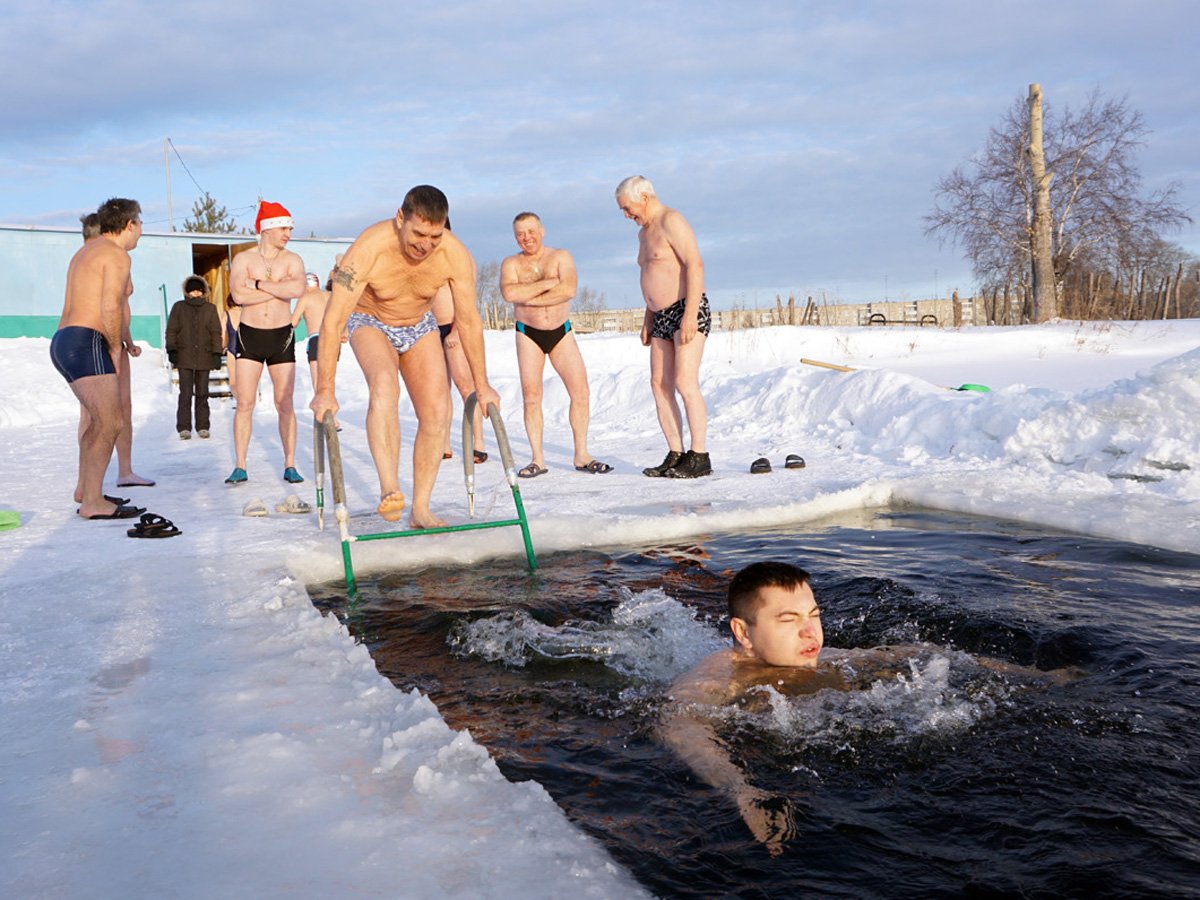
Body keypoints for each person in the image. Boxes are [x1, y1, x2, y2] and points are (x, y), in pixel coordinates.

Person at [661, 561, 1077, 855]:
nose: (811, 632)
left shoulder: (825, 656)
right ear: (743, 633)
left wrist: (1031, 676)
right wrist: (741, 789)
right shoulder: (719, 678)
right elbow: (679, 725)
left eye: (814, 614)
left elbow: (916, 651)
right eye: (788, 620)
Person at [310, 184, 500, 528]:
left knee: (438, 410)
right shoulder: (369, 248)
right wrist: (325, 388)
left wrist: (481, 384)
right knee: (384, 384)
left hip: (419, 324)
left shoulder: (455, 255)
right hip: (370, 320)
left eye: (434, 236)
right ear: (401, 218)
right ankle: (389, 489)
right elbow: (334, 318)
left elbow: (469, 320)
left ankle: (421, 509)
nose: (425, 244)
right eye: (419, 233)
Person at [51, 199, 147, 519]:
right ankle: (92, 502)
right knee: (112, 420)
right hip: (86, 340)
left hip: (64, 341)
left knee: (96, 421)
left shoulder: (85, 251)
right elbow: (109, 307)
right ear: (130, 224)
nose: (141, 233)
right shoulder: (116, 254)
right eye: (140, 225)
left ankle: (87, 490)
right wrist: (116, 350)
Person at [615, 175, 711, 479]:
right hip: (659, 315)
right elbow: (653, 275)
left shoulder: (672, 220)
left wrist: (690, 315)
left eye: (628, 208)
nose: (627, 215)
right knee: (659, 384)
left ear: (643, 196)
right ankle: (676, 452)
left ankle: (699, 455)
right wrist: (648, 317)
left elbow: (695, 265)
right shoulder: (643, 234)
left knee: (684, 382)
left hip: (686, 308)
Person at [500, 212, 609, 478]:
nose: (527, 238)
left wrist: (527, 296)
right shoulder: (511, 264)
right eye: (520, 234)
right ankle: (538, 459)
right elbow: (509, 294)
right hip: (528, 334)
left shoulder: (561, 257)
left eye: (530, 231)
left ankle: (581, 454)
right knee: (532, 396)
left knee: (580, 391)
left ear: (542, 230)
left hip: (562, 332)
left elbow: (569, 290)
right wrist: (548, 285)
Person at [71, 212, 155, 504]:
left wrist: (126, 341)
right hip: (98, 340)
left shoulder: (108, 258)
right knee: (100, 417)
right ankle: (89, 491)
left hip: (111, 337)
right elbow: (107, 308)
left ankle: (118, 474)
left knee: (118, 412)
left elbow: (118, 307)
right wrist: (114, 348)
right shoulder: (103, 258)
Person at [226, 200, 306, 485]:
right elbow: (237, 296)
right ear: (267, 229)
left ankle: (290, 464)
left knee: (284, 403)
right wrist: (278, 291)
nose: (288, 233)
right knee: (245, 402)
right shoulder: (244, 259)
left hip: (281, 336)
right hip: (250, 335)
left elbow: (297, 288)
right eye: (284, 227)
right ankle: (240, 465)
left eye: (290, 227)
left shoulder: (293, 260)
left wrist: (258, 285)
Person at [431, 281, 487, 462]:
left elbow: (466, 301)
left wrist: (456, 329)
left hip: (454, 326)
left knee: (465, 386)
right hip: (430, 329)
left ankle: (478, 443)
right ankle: (444, 443)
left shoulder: (451, 262)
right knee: (440, 390)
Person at [165, 275, 222, 439]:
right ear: (187, 292)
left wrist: (217, 353)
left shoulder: (210, 309)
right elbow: (172, 331)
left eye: (198, 290)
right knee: (185, 393)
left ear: (203, 291)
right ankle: (184, 427)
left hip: (204, 357)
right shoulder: (179, 307)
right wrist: (172, 350)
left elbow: (215, 332)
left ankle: (203, 426)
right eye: (192, 290)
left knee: (203, 393)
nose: (196, 293)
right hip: (184, 357)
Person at [291, 268, 345, 430]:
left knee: (318, 382)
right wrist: (344, 333)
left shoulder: (305, 298)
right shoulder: (329, 296)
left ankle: (326, 417)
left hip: (316, 339)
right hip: (333, 339)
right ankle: (332, 416)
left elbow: (293, 323)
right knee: (329, 379)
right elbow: (342, 315)